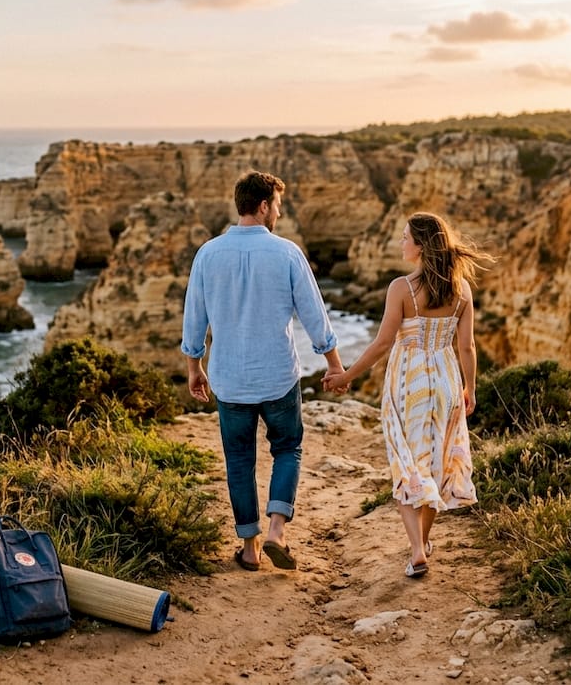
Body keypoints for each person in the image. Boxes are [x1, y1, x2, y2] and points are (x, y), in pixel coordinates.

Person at [181, 170, 345, 572]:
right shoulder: (287, 253)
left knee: (239, 460)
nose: (279, 214)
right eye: (277, 206)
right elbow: (314, 315)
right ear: (263, 206)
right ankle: (276, 530)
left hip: (230, 380)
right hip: (277, 377)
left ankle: (251, 549)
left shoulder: (208, 253)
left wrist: (194, 367)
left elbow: (193, 319)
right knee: (287, 448)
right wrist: (334, 363)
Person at [323, 212, 493, 578]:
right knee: (435, 464)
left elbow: (383, 343)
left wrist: (346, 375)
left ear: (420, 245)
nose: (400, 243)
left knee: (405, 462)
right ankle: (424, 542)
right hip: (447, 381)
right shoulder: (461, 290)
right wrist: (470, 388)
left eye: (405, 238)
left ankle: (417, 550)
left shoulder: (402, 288)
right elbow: (468, 348)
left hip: (408, 383)